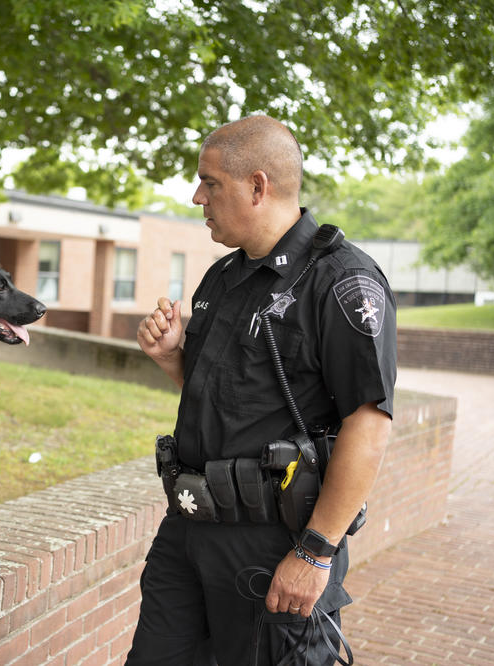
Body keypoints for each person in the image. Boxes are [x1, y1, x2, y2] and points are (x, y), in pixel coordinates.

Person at [127, 115, 396, 665]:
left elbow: (368, 424)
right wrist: (172, 357)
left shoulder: (341, 282)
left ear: (257, 186)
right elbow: (228, 400)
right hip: (189, 531)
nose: (196, 196)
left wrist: (316, 553)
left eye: (210, 182)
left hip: (273, 546)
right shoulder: (222, 278)